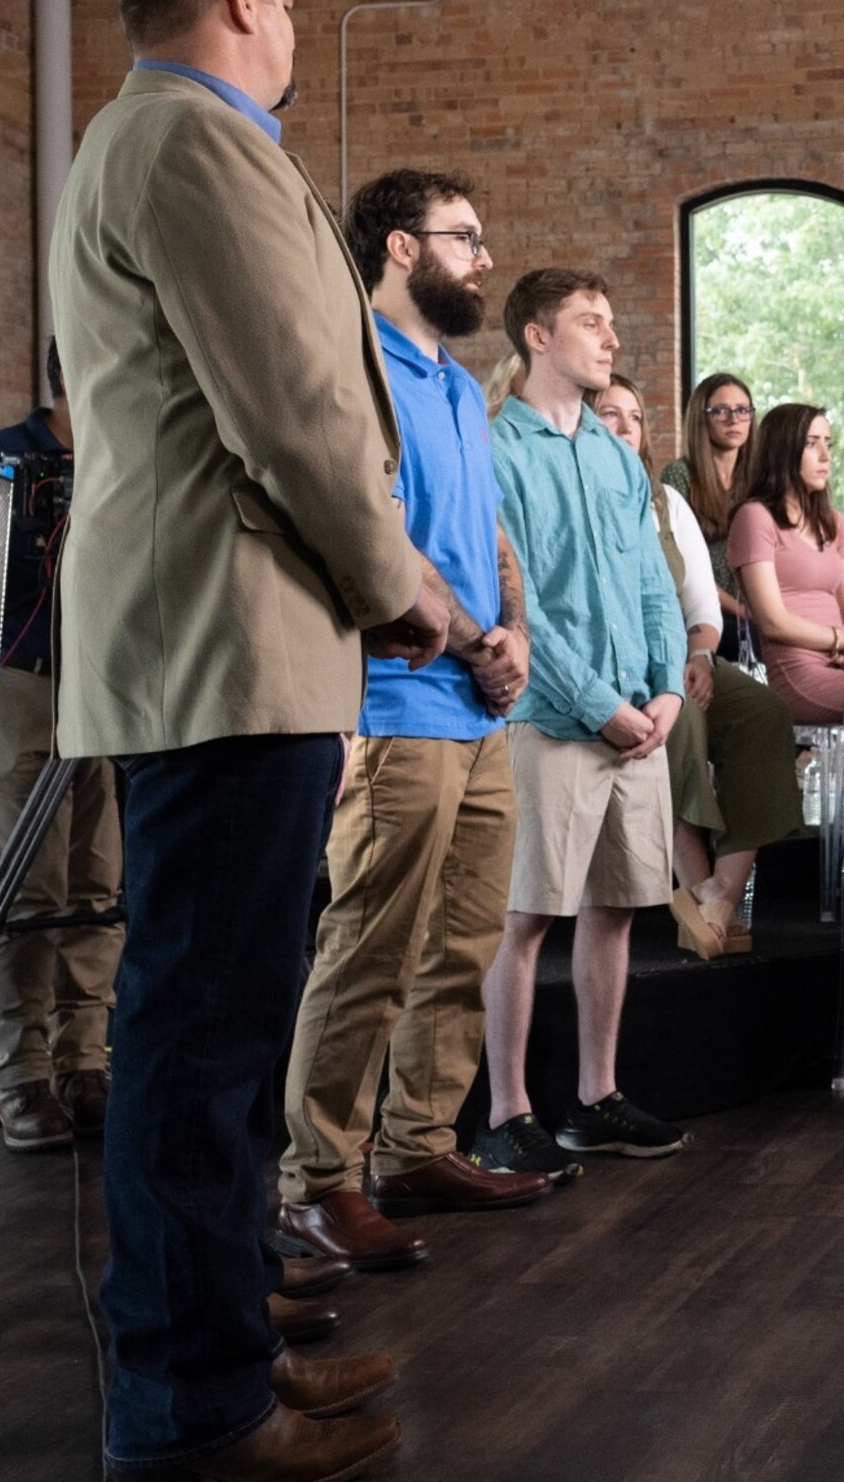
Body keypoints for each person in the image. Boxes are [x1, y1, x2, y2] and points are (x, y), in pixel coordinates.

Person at [53, 0, 448, 1480]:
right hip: (226, 653)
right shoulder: (191, 142)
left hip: (232, 650)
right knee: (203, 1053)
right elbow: (291, 407)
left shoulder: (164, 142)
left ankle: (219, 1360)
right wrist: (398, 581)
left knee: (212, 1042)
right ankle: (195, 1408)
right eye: (288, 9)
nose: (293, 35)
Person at [275, 170, 552, 1282]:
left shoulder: (452, 379)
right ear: (400, 247)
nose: (484, 258)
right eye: (464, 239)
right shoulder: (357, 366)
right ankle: (317, 1181)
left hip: (482, 711)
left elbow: (487, 533)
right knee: (369, 952)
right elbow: (368, 524)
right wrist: (466, 635)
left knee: (464, 943)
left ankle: (419, 1145)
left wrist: (517, 630)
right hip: (398, 706)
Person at [476, 270, 692, 1177]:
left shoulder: (614, 453)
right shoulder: (496, 450)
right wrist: (600, 706)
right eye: (589, 324)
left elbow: (654, 582)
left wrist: (668, 689)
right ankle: (507, 1111)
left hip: (639, 718)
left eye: (610, 323)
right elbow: (513, 600)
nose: (609, 339)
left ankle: (594, 1099)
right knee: (523, 918)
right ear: (535, 334)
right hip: (555, 721)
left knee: (613, 912)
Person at [0, 345, 123, 1156]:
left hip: (106, 691)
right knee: (30, 887)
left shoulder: (132, 454)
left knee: (95, 883)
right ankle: (21, 1074)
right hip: (17, 683)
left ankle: (83, 1063)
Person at [594, 376, 804, 959]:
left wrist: (700, 655)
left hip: (681, 651)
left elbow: (701, 605)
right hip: (612, 662)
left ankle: (720, 894)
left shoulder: (666, 500)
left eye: (633, 417)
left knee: (762, 713)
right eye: (609, 414)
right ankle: (693, 884)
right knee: (680, 720)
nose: (623, 427)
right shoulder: (574, 491)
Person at [730, 402, 844, 723]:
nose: (825, 456)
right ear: (782, 450)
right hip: (800, 677)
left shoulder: (833, 522)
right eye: (811, 443)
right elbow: (774, 621)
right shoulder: (755, 517)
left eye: (827, 443)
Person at [665, 372, 758, 658]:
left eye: (742, 410)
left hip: (758, 606)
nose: (734, 419)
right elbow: (680, 568)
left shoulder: (759, 477)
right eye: (720, 411)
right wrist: (742, 610)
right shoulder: (679, 476)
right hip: (705, 612)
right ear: (701, 418)